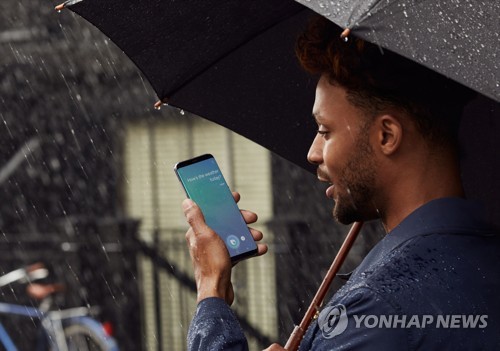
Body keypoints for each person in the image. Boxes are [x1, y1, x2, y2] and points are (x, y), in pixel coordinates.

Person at [182, 15, 500, 350]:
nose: (312, 153)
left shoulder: (372, 308)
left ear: (387, 135)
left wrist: (211, 292)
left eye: (324, 131)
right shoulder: (485, 259)